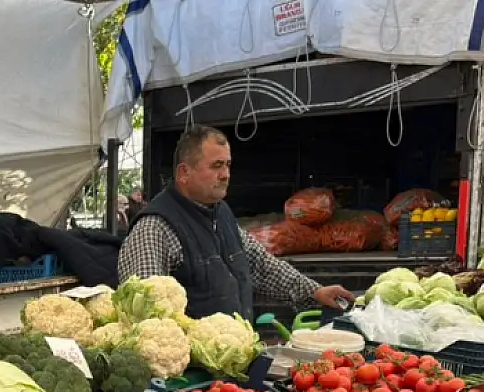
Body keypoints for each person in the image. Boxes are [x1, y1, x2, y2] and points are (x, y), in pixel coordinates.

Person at [119, 126, 353, 317]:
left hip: (234, 363)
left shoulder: (221, 214)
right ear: (184, 173)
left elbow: (261, 266)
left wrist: (315, 292)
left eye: (228, 165)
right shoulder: (154, 228)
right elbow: (145, 314)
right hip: (190, 372)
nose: (226, 174)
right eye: (216, 166)